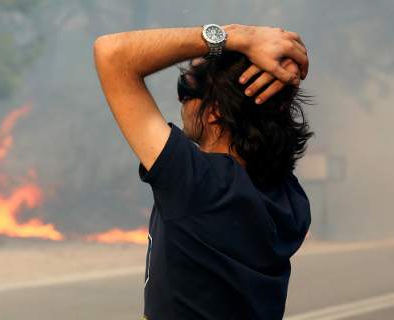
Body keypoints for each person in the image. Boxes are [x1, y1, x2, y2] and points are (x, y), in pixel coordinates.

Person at [93, 23, 313, 319]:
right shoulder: (288, 198)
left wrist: (236, 36)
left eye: (187, 90)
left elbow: (111, 53)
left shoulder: (197, 185)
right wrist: (281, 77)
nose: (180, 102)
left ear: (214, 111)